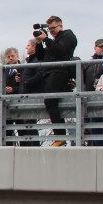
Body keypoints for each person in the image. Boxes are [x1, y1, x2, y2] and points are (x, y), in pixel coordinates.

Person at [34, 16, 78, 146]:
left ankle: (60, 136)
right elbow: (41, 56)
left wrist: (46, 39)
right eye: (50, 29)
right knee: (51, 103)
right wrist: (39, 42)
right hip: (50, 73)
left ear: (61, 26)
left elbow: (60, 51)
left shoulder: (67, 36)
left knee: (50, 102)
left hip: (60, 73)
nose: (51, 31)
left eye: (53, 28)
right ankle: (60, 136)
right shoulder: (53, 41)